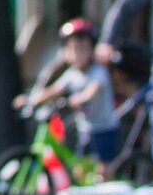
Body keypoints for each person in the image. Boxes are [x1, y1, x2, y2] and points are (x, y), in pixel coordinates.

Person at [18, 18, 121, 167]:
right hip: (85, 129)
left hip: (104, 129)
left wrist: (79, 99)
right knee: (80, 168)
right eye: (72, 49)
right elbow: (53, 91)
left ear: (91, 50)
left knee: (103, 170)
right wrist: (30, 100)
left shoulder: (98, 72)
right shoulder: (71, 74)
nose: (77, 54)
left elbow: (93, 91)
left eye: (82, 49)